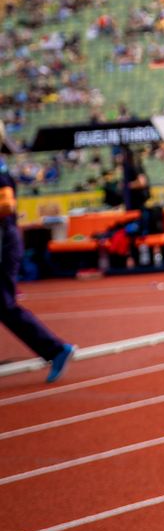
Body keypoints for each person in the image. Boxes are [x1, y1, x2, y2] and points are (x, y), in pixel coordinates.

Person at [0, 158, 74, 383]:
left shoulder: (1, 175)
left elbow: (6, 206)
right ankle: (54, 349)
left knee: (4, 304)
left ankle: (55, 349)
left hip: (4, 242)